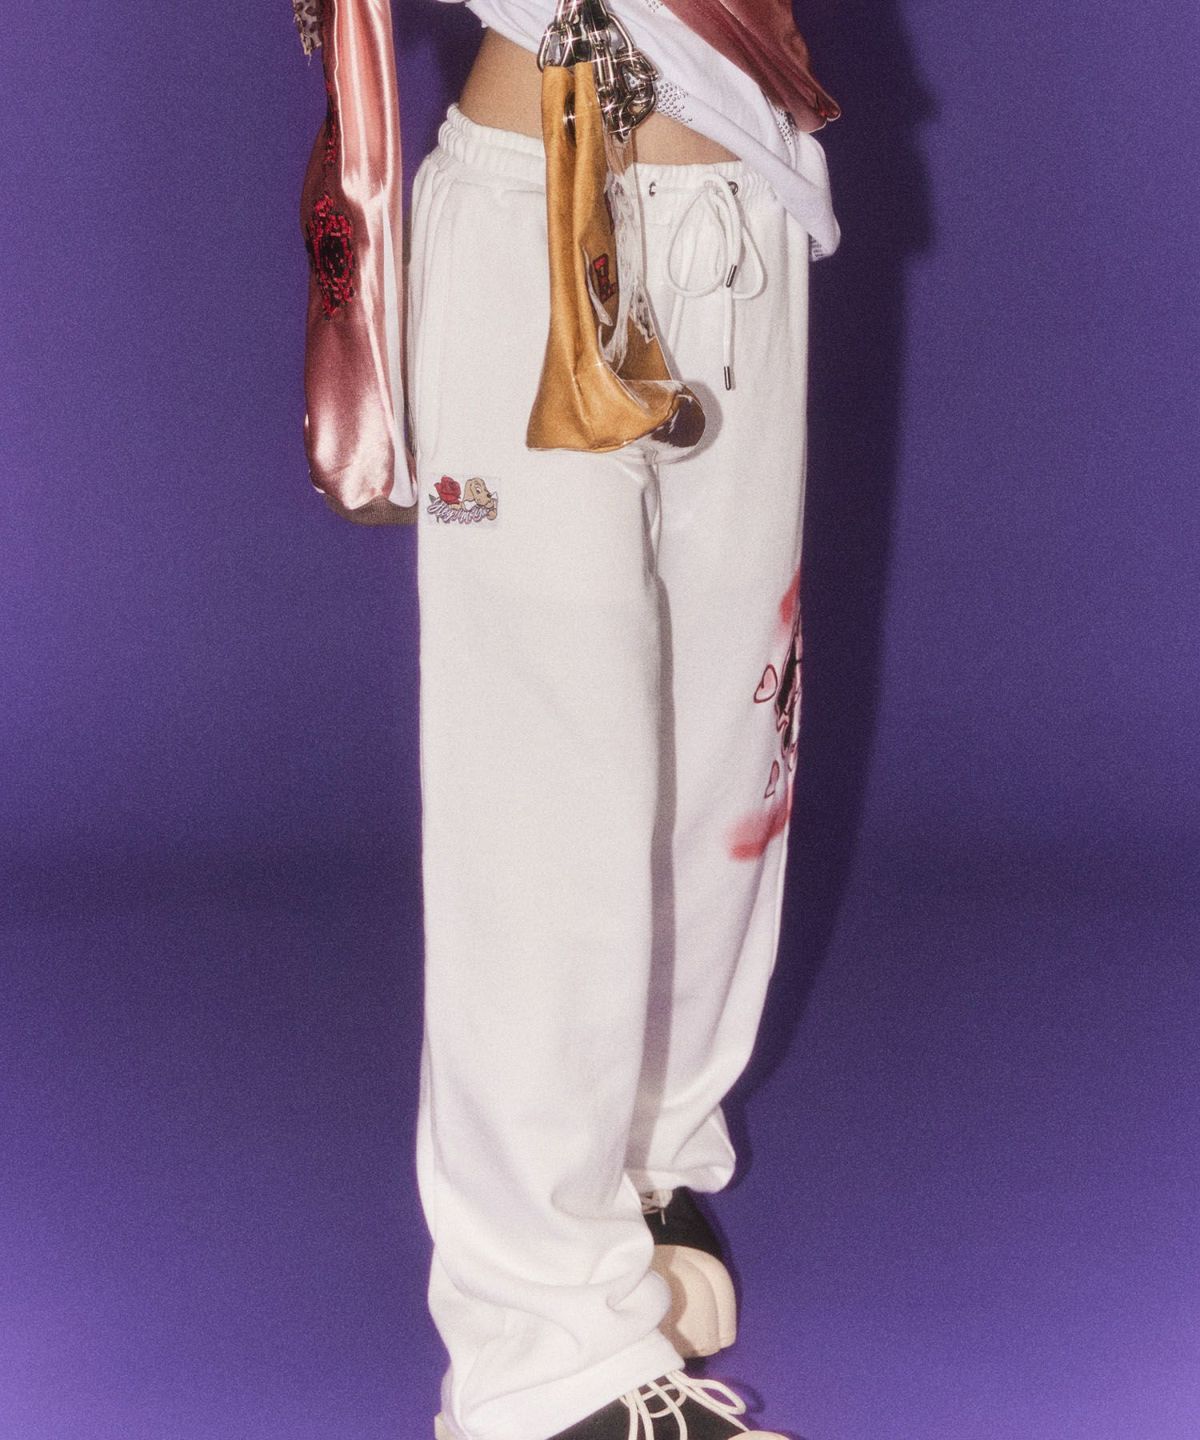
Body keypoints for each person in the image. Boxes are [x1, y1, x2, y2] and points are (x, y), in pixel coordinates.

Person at [294, 3, 841, 1436]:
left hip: (741, 198)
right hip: (536, 207)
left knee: (726, 772)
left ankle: (640, 1170)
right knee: (551, 797)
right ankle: (540, 1362)